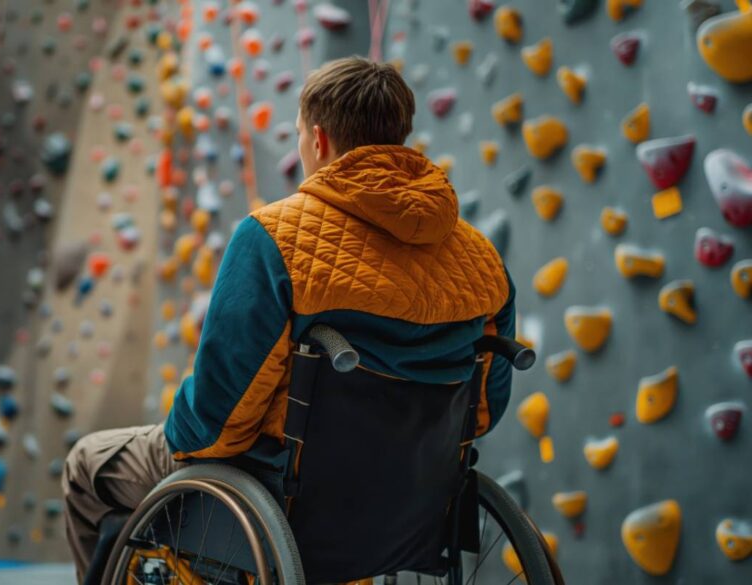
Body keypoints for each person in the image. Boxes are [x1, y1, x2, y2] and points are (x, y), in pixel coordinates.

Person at [62, 56, 515, 580]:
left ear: (318, 140)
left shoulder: (274, 238)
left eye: (299, 136)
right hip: (412, 503)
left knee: (87, 464)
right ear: (399, 137)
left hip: (284, 498)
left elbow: (217, 422)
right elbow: (482, 411)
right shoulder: (482, 260)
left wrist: (180, 433)